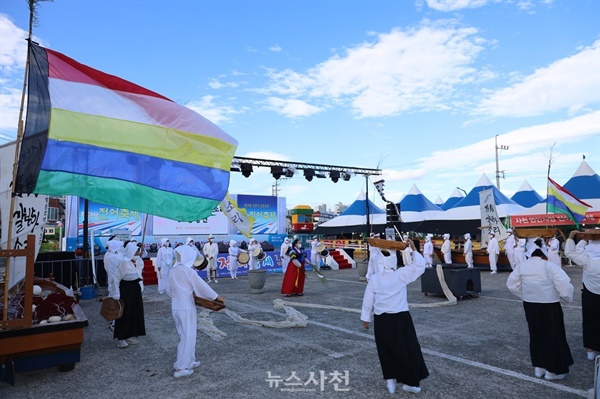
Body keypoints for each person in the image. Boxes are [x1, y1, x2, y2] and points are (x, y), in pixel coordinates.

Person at [361, 240, 429, 394]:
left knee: (386, 351)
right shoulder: (401, 274)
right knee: (408, 349)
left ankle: (390, 383)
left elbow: (368, 300)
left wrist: (366, 318)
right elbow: (419, 266)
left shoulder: (375, 279)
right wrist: (413, 249)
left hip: (382, 320)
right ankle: (411, 382)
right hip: (401, 318)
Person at [506, 248, 574, 380]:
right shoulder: (549, 265)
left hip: (530, 304)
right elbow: (564, 283)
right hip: (549, 304)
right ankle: (552, 371)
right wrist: (566, 298)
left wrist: (524, 294)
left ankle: (539, 367)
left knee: (536, 334)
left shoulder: (522, 265)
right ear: (543, 255)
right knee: (553, 335)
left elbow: (511, 284)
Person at [166, 243, 224, 379]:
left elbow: (168, 289)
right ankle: (180, 367)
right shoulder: (188, 271)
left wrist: (179, 295)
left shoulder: (173, 270)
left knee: (185, 335)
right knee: (188, 336)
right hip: (186, 307)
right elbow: (202, 287)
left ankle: (189, 360)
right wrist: (216, 297)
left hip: (176, 306)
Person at [564, 230, 600, 361]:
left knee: (590, 320)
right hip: (591, 293)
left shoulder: (586, 260)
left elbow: (570, 252)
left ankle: (591, 350)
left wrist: (571, 237)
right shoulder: (587, 259)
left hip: (590, 294)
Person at [110, 241, 146, 349]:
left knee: (135, 312)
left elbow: (139, 272)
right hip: (126, 290)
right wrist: (116, 293)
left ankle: (131, 334)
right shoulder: (124, 263)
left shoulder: (137, 261)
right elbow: (116, 279)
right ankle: (121, 338)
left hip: (135, 289)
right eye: (135, 251)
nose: (138, 253)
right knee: (125, 314)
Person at [104, 239, 124, 331]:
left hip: (112, 281)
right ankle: (115, 323)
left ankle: (113, 321)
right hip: (117, 282)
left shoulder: (107, 255)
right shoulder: (114, 257)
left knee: (113, 302)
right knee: (117, 303)